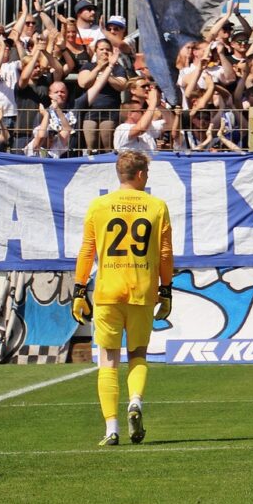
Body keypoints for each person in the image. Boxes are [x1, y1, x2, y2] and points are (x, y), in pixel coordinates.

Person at [71, 150, 174, 446]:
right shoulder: (157, 206)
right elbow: (165, 253)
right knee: (138, 354)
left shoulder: (99, 205)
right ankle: (135, 402)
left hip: (108, 293)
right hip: (142, 291)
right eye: (147, 173)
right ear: (140, 175)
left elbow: (87, 251)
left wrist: (79, 290)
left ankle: (111, 429)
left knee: (108, 360)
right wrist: (166, 290)